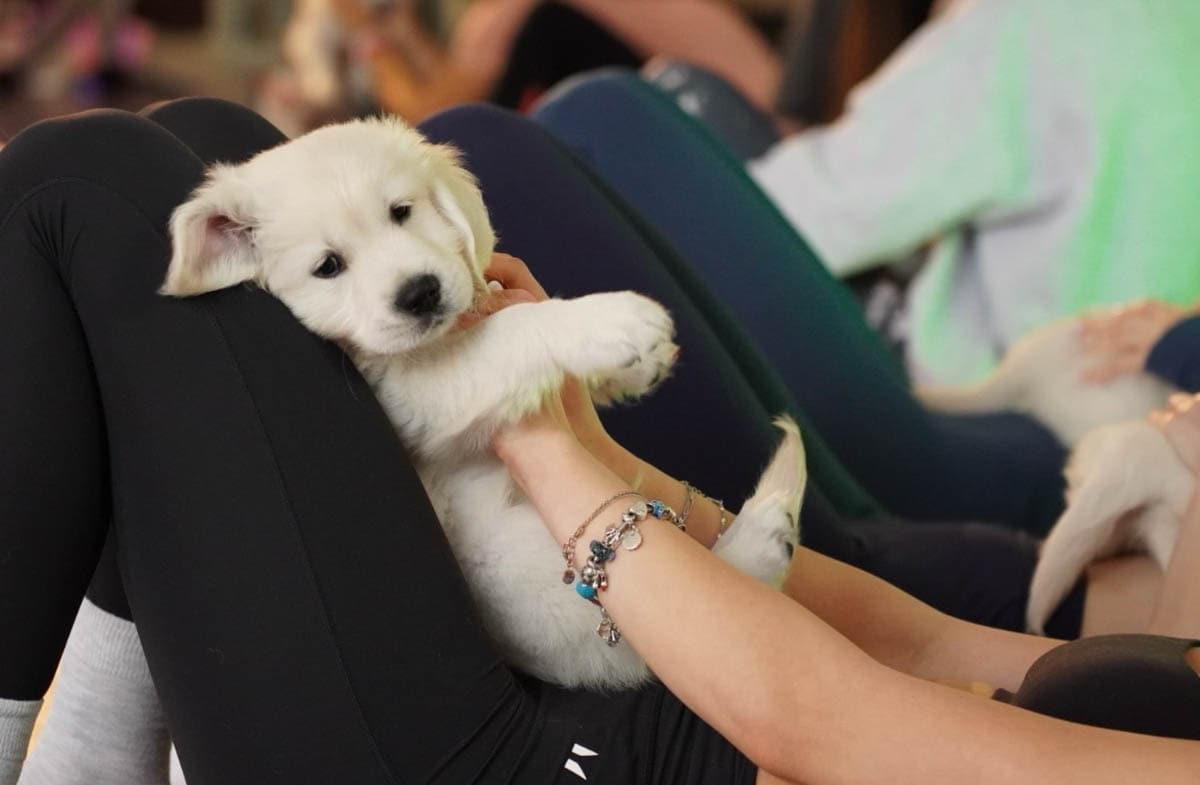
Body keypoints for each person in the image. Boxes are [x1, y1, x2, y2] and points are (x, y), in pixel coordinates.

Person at [4, 98, 1200, 785]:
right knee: (209, 152)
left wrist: (544, 443)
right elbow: (918, 637)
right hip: (611, 708)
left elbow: (809, 719)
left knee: (83, 186)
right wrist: (608, 460)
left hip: (536, 764)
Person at [750, 0, 1200, 385]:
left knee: (697, 100)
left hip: (999, 402)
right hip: (1148, 407)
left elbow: (807, 212)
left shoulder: (1031, 18)